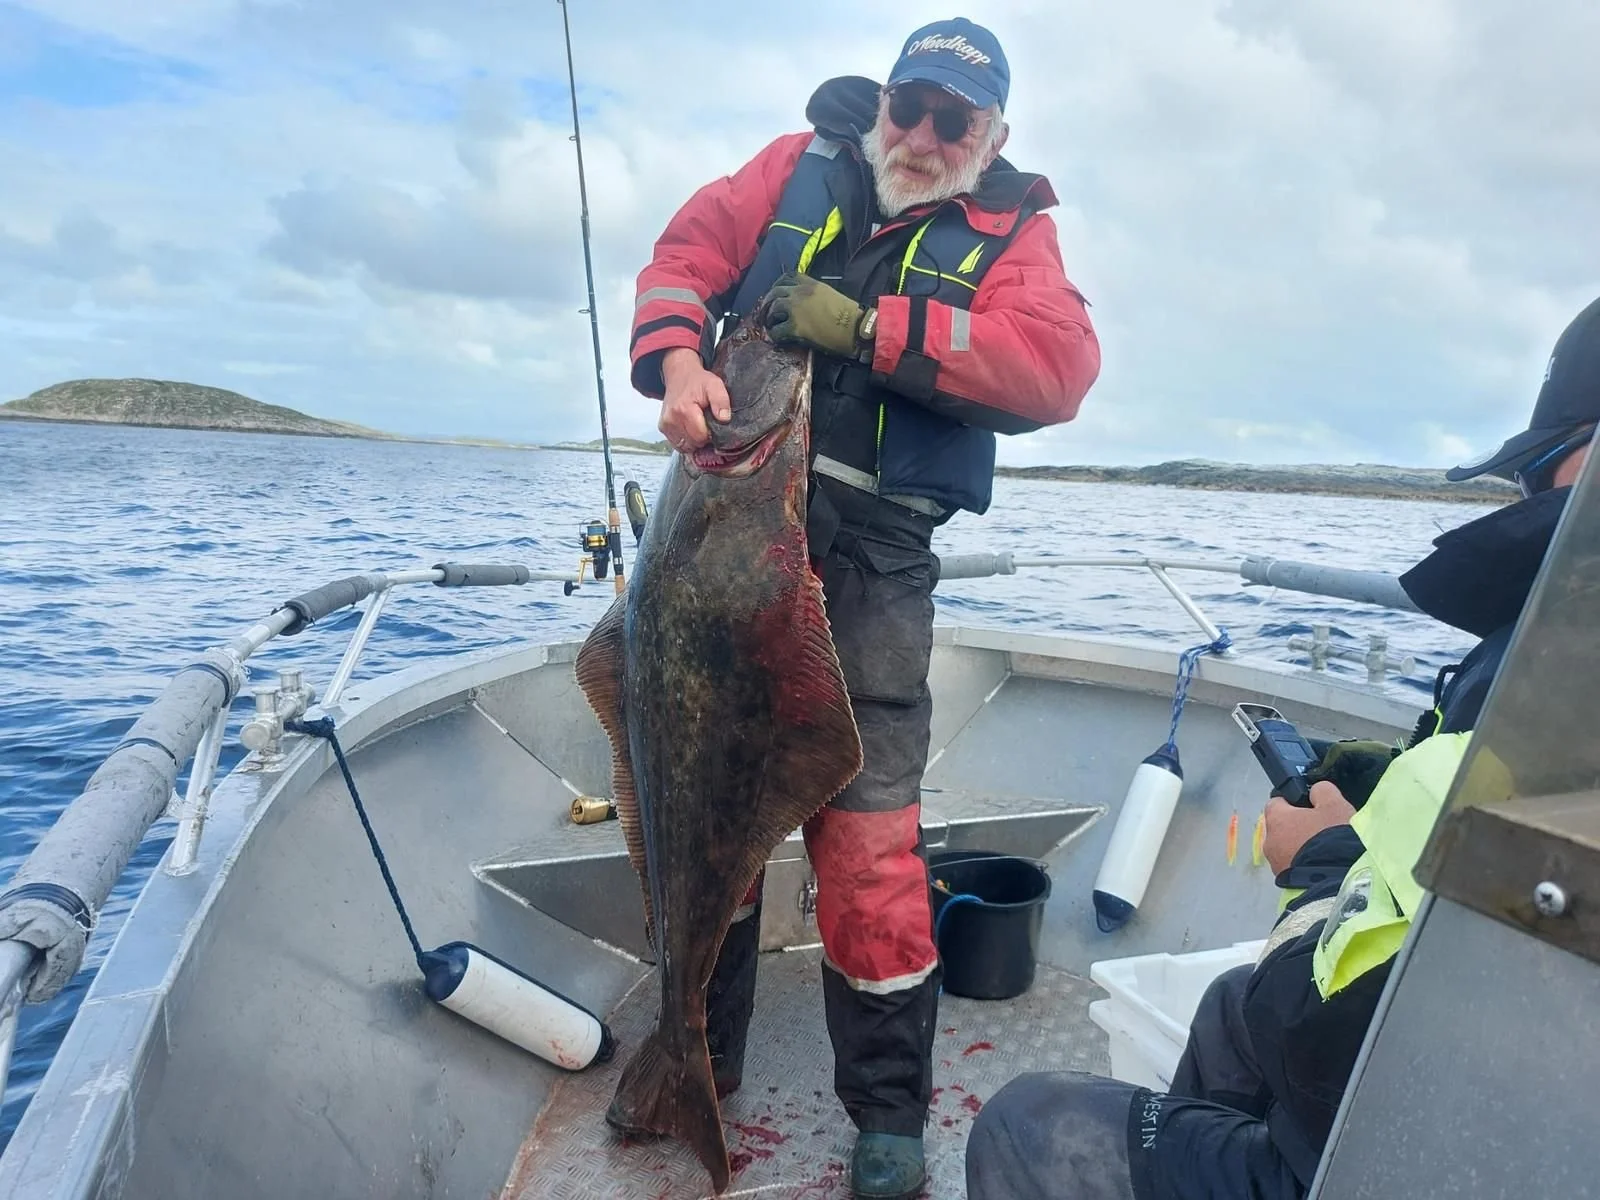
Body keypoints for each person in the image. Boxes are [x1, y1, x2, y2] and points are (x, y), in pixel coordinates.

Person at [965, 293, 1599, 1200]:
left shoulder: (1571, 675)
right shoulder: (1557, 676)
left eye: (1549, 467)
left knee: (1027, 1125)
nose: (1532, 497)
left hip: (1420, 1145)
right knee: (1227, 1010)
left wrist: (1318, 865)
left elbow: (1325, 1031)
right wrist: (1377, 780)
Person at [625, 17, 1100, 1199]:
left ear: (991, 136)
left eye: (956, 120)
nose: (925, 135)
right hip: (718, 532)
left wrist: (867, 328)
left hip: (874, 562)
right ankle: (696, 1058)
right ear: (883, 104)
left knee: (872, 850)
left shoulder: (1014, 231)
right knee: (709, 825)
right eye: (910, 107)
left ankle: (887, 1115)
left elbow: (1054, 368)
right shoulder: (788, 170)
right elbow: (683, 258)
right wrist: (680, 365)